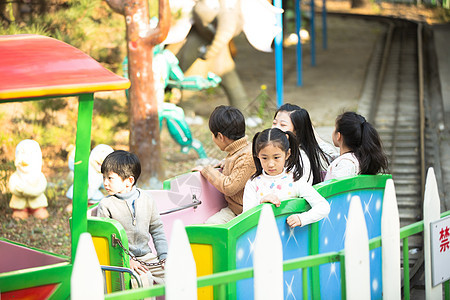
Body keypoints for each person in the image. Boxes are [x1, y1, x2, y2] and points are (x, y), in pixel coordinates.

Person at [96, 150, 167, 290]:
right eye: (103, 177)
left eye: (110, 178)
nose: (105, 183)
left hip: (147, 256)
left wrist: (164, 256)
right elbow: (107, 240)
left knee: (175, 272)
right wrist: (128, 260)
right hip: (122, 259)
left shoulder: (147, 200)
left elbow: (157, 229)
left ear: (129, 181)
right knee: (142, 279)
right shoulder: (106, 205)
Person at [243, 128, 330, 228]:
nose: (271, 164)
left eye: (276, 157)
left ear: (287, 154)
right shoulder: (253, 183)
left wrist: (301, 218)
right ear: (257, 155)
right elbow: (246, 217)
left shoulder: (294, 180)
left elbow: (323, 206)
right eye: (264, 158)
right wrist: (261, 203)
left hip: (292, 240)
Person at [193, 105, 256, 224]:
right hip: (235, 209)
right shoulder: (237, 152)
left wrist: (206, 170)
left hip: (245, 212)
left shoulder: (247, 156)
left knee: (211, 226)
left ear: (220, 137)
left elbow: (229, 187)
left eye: (213, 134)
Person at [272, 103, 336, 185]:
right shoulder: (273, 149)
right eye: (274, 123)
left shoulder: (302, 160)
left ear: (297, 131)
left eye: (283, 125)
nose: (276, 128)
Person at [324, 112, 388, 181]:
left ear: (339, 136)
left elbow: (335, 190)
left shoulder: (345, 165)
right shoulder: (360, 159)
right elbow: (329, 153)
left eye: (335, 128)